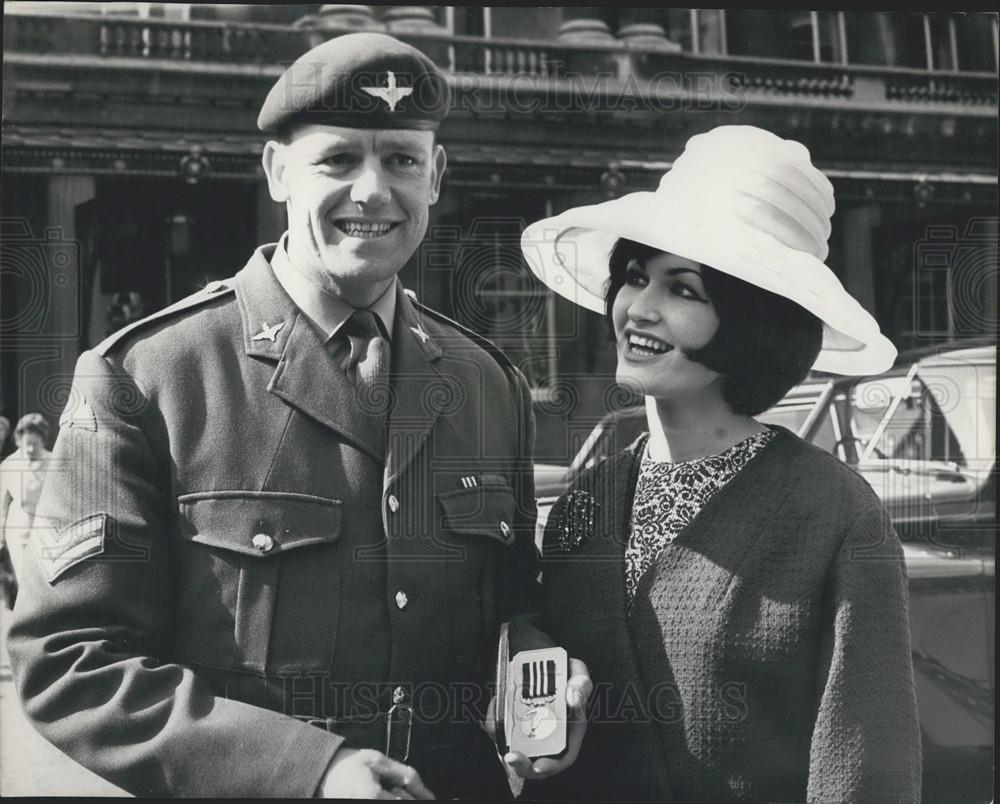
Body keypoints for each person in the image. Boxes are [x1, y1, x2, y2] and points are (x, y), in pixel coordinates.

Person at [8, 33, 588, 799]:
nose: (374, 191)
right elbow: (71, 660)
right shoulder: (145, 377)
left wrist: (537, 679)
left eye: (403, 160)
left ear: (437, 175)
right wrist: (308, 771)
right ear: (278, 171)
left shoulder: (488, 382)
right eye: (339, 160)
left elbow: (513, 601)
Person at [518, 126, 922, 802]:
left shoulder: (837, 517)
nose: (638, 309)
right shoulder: (584, 504)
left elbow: (867, 762)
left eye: (684, 290)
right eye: (635, 276)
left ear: (749, 322)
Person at [0, 413, 53, 584]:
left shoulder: (54, 463)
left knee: (46, 581)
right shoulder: (9, 465)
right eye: (27, 445)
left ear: (43, 441)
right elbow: (2, 506)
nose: (30, 449)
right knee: (26, 582)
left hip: (48, 531)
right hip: (20, 532)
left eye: (35, 445)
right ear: (18, 441)